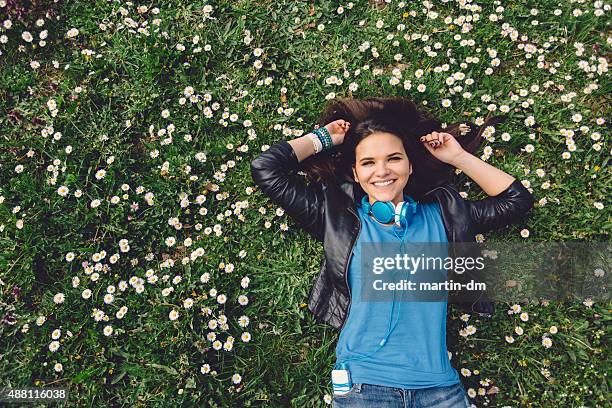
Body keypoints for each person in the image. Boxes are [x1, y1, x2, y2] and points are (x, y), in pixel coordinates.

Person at [250, 96, 534, 407]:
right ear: (356, 174)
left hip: (440, 390)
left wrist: (458, 157)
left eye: (394, 159)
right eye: (368, 163)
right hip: (365, 387)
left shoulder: (443, 216)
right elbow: (266, 169)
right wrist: (323, 138)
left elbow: (516, 200)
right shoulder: (337, 218)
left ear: (409, 165)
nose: (382, 171)